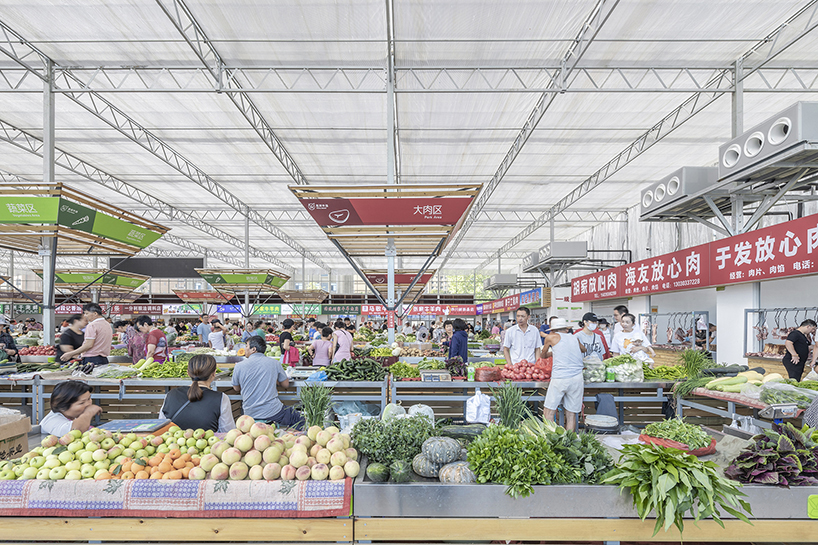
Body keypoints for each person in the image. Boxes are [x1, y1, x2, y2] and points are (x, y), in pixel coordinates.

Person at [232, 336, 304, 429]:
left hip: (249, 413)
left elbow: (236, 388)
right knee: (298, 417)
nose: (244, 349)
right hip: (273, 412)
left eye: (246, 346)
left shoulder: (239, 366)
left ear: (253, 349)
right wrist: (274, 380)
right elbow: (285, 384)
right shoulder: (274, 363)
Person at [159, 354, 235, 432]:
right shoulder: (221, 398)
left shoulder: (170, 395)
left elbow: (161, 427)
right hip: (209, 444)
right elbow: (228, 432)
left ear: (188, 373)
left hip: (173, 443)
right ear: (214, 373)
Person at [541, 318, 584, 432]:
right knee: (571, 413)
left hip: (560, 378)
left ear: (553, 330)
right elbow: (583, 349)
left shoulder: (551, 337)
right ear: (566, 329)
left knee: (548, 411)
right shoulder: (574, 337)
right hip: (577, 378)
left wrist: (550, 353)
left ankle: (552, 437)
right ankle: (568, 440)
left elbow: (543, 354)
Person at [60, 303, 112, 373]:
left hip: (92, 360)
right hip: (103, 360)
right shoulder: (107, 324)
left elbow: (88, 345)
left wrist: (70, 354)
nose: (85, 316)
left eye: (87, 313)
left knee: (91, 382)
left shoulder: (92, 325)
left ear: (95, 313)